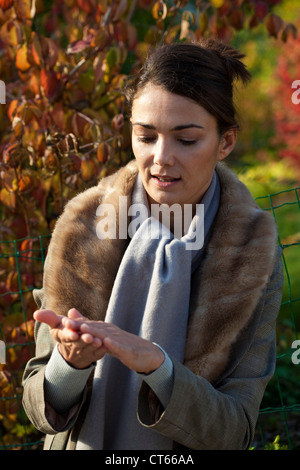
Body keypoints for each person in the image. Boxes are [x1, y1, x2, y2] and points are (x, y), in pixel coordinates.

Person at [22, 39, 283, 450]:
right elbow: (37, 407)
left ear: (226, 143)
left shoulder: (253, 254)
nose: (161, 157)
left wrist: (160, 370)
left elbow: (236, 431)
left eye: (186, 139)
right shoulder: (82, 229)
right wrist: (68, 365)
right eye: (146, 136)